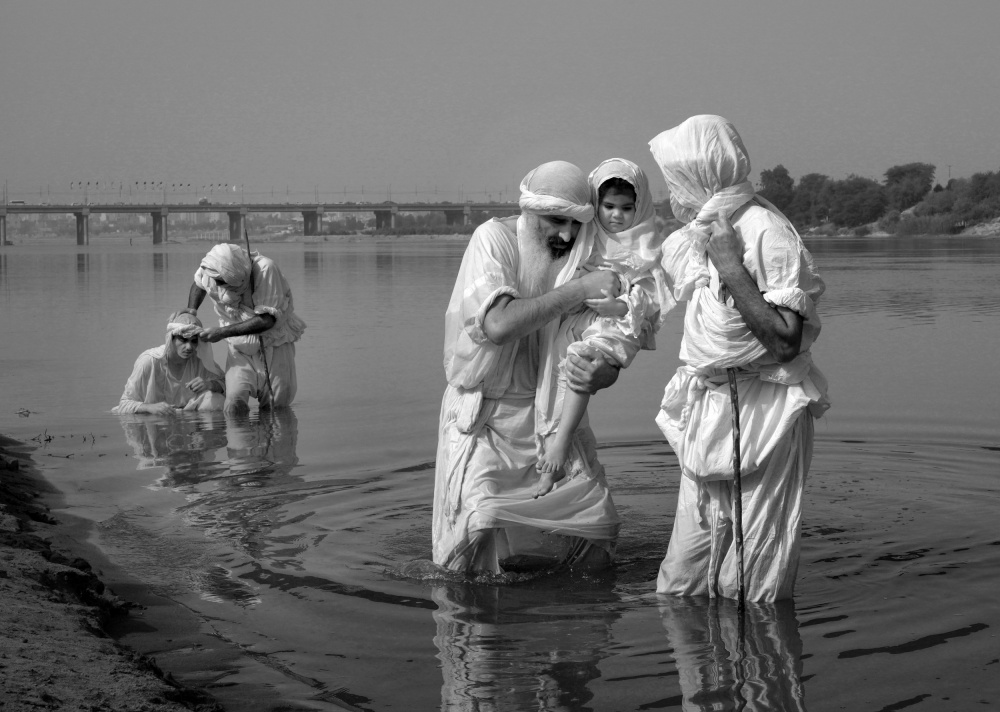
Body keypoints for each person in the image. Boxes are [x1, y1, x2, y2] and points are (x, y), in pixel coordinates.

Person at [648, 115, 830, 602]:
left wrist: (730, 267)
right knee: (680, 583)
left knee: (751, 587)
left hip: (766, 408)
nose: (671, 192)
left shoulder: (765, 232)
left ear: (700, 176)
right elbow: (646, 293)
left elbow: (786, 342)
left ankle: (760, 671)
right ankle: (694, 663)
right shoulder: (696, 234)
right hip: (710, 405)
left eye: (675, 179)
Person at [432, 160, 624, 574]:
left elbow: (608, 338)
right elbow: (498, 325)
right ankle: (478, 634)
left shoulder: (580, 254)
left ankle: (573, 627)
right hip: (487, 418)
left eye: (576, 223)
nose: (566, 235)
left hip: (554, 419)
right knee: (477, 532)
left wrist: (606, 372)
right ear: (530, 211)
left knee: (596, 530)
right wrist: (579, 289)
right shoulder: (494, 240)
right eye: (557, 221)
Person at [535, 158, 673, 496]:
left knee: (581, 360)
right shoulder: (588, 236)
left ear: (639, 208)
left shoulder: (646, 242)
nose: (616, 215)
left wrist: (621, 305)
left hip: (619, 325)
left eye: (626, 208)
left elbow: (652, 295)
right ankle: (551, 451)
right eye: (608, 205)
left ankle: (560, 443)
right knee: (557, 369)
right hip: (583, 317)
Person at [182, 243, 305, 414]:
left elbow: (267, 320)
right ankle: (240, 438)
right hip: (238, 346)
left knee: (276, 407)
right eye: (219, 282)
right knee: (233, 405)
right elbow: (199, 283)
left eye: (226, 283)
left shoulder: (265, 270)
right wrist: (192, 309)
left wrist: (221, 332)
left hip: (273, 343)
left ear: (241, 275)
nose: (221, 286)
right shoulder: (213, 267)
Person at [112, 311, 225, 415]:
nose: (189, 347)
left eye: (194, 341)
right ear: (171, 339)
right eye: (183, 340)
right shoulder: (149, 361)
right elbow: (125, 403)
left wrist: (210, 384)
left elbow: (228, 384)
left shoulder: (199, 361)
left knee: (216, 400)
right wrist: (150, 408)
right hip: (154, 419)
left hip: (187, 420)